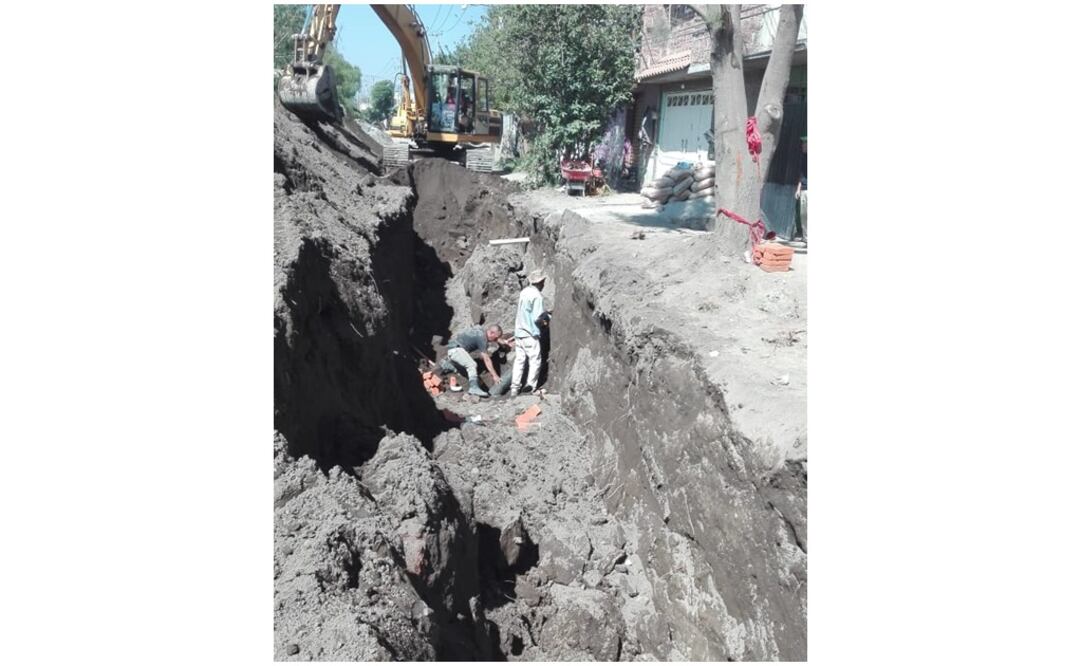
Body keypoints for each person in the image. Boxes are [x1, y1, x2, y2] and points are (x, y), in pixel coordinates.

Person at [509, 269, 553, 398]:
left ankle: (514, 389)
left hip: (519, 332)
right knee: (535, 360)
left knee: (519, 360)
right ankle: (531, 387)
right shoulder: (537, 296)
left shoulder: (524, 292)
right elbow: (537, 318)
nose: (544, 283)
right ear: (540, 282)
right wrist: (547, 319)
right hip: (530, 333)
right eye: (543, 281)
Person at [439, 324, 507, 398]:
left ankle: (449, 365)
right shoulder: (482, 338)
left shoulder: (481, 330)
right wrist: (495, 376)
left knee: (466, 371)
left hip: (453, 349)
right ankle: (474, 388)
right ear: (491, 333)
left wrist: (502, 341)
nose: (495, 340)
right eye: (496, 338)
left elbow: (494, 337)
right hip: (456, 350)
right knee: (472, 365)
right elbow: (486, 359)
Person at [794, 135, 808, 242]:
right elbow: (801, 175)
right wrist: (798, 189)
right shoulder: (803, 158)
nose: (803, 145)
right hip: (804, 189)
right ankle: (806, 237)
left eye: (805, 143)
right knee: (803, 214)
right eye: (802, 143)